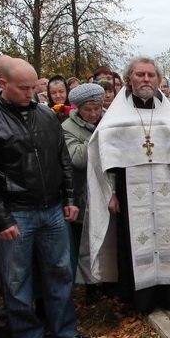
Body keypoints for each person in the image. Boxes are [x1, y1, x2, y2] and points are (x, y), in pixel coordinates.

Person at [0, 58, 86, 338]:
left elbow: (63, 160)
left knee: (60, 271)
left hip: (53, 208)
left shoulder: (46, 115)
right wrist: (1, 218)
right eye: (23, 88)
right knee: (17, 279)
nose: (30, 93)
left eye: (33, 87)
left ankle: (65, 330)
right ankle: (28, 337)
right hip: (15, 211)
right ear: (2, 83)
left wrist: (70, 200)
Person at [83, 57, 170, 313]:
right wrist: (110, 192)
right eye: (140, 75)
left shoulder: (169, 115)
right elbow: (107, 158)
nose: (146, 79)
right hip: (129, 191)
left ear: (158, 80)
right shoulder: (116, 117)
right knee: (135, 240)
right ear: (129, 79)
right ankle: (142, 299)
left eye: (151, 75)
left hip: (168, 188)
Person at [62, 83, 104, 276]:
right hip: (83, 193)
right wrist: (98, 135)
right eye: (88, 109)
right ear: (78, 108)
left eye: (97, 108)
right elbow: (78, 158)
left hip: (107, 190)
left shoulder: (109, 119)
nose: (94, 114)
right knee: (85, 240)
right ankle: (88, 282)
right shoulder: (67, 128)